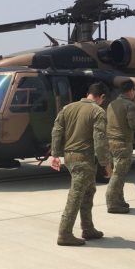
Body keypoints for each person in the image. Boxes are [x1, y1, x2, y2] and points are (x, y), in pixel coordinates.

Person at [51, 82, 112, 246]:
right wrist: (106, 163)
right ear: (102, 97)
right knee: (76, 195)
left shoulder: (67, 108)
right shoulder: (98, 111)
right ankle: (64, 233)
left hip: (70, 157)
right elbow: (100, 140)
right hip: (83, 159)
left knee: (88, 191)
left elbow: (57, 131)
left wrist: (55, 154)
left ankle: (88, 228)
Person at [105, 79, 135, 214]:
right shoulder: (130, 105)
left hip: (111, 143)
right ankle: (112, 203)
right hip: (122, 143)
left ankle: (119, 200)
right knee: (119, 173)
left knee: (118, 172)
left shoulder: (112, 104)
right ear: (131, 91)